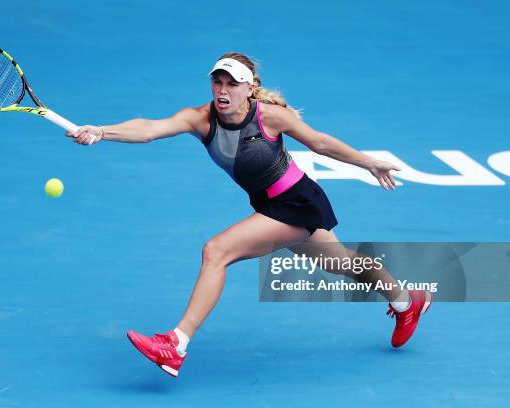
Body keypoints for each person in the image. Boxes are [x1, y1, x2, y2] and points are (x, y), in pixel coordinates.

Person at [67, 52, 432, 378]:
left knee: (216, 251)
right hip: (270, 206)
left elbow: (319, 142)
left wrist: (369, 163)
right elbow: (148, 129)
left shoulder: (271, 116)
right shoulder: (199, 119)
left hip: (298, 202)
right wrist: (101, 131)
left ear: (249, 88)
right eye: (217, 81)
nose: (223, 90)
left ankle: (175, 345)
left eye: (232, 83)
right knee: (343, 264)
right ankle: (406, 300)